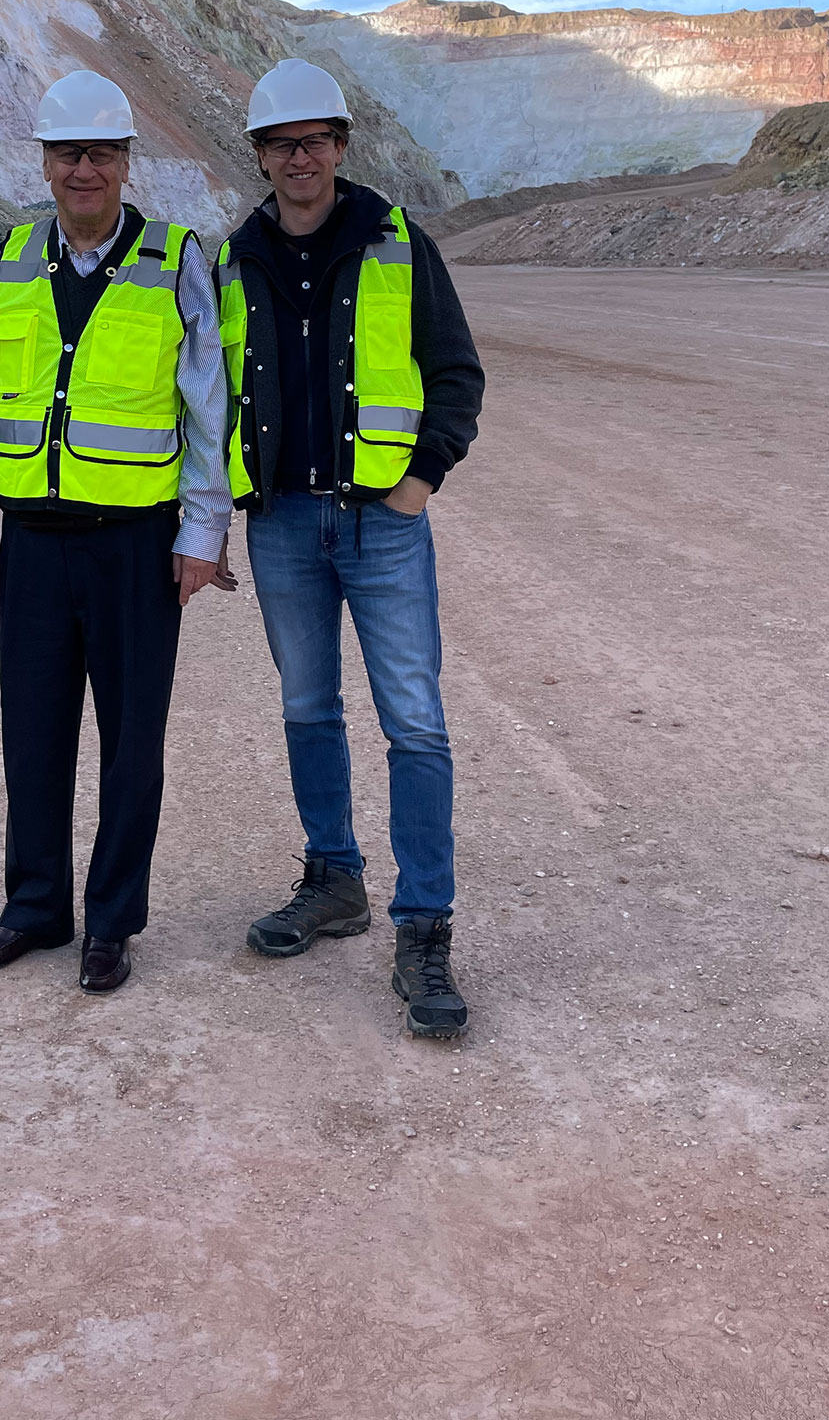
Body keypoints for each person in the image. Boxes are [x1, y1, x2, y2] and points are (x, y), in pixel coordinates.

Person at [0, 69, 231, 995]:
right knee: (33, 733)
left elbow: (206, 407)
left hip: (137, 547)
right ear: (47, 163)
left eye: (101, 153)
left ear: (127, 162)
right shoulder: (7, 262)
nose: (84, 169)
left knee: (132, 738)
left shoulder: (177, 259)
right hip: (34, 543)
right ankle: (34, 910)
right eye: (68, 154)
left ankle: (111, 922)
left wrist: (204, 528)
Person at [216, 59, 485, 1038]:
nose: (301, 156)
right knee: (306, 705)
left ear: (339, 145)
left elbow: (455, 371)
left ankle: (424, 924)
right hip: (284, 520)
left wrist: (424, 476)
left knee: (414, 720)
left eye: (316, 139)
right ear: (259, 155)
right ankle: (333, 877)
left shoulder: (396, 243)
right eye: (282, 143)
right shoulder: (233, 257)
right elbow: (209, 393)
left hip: (381, 521)